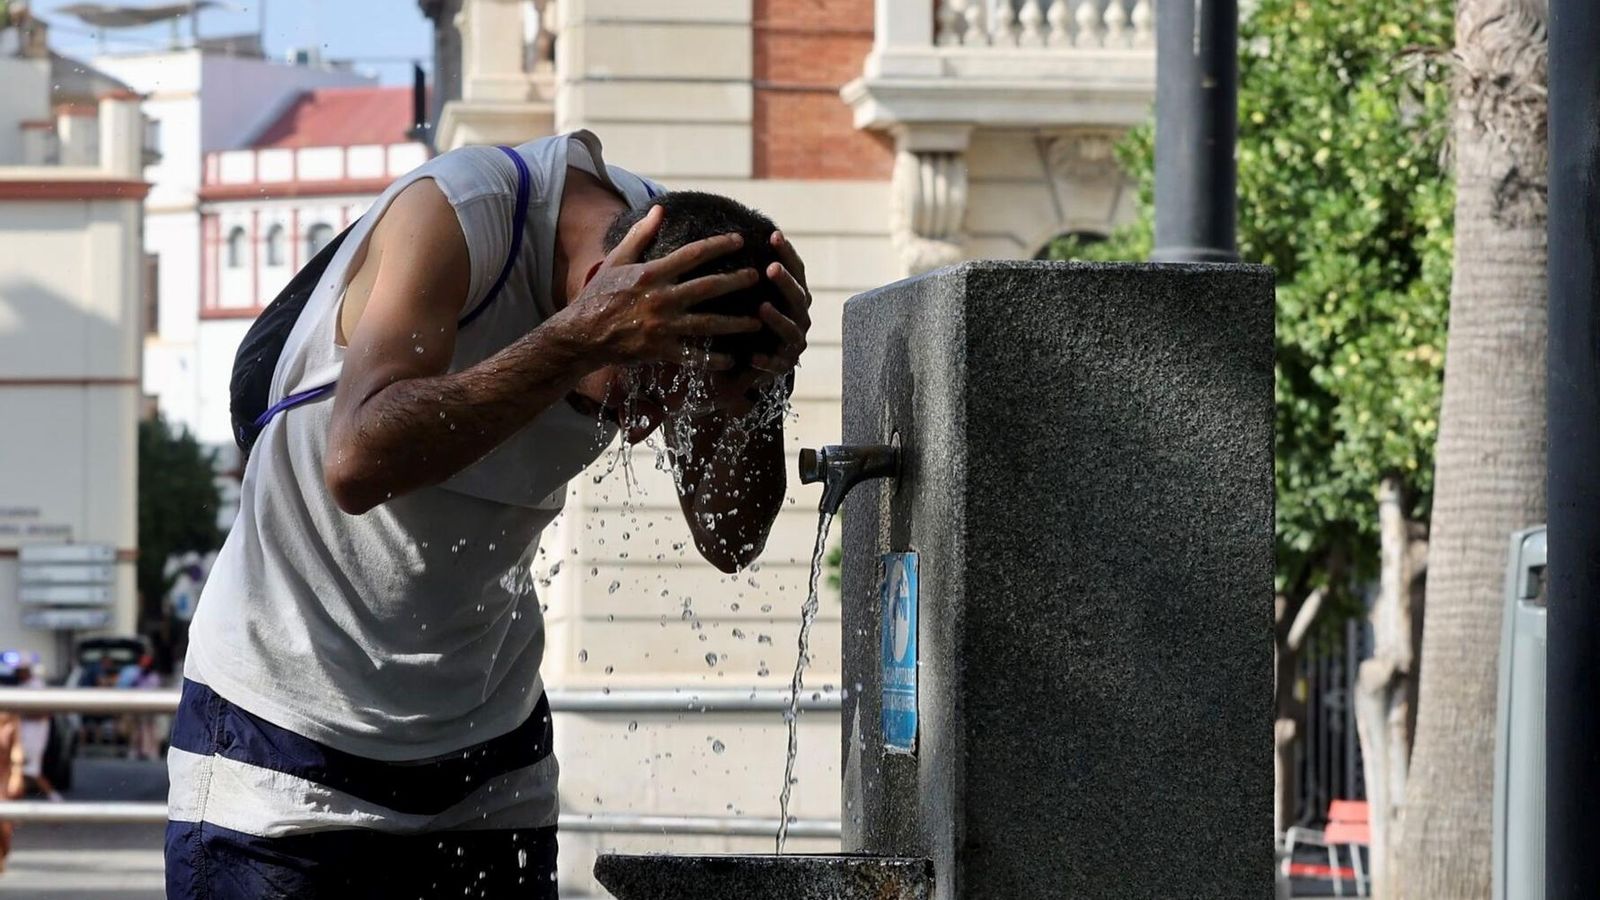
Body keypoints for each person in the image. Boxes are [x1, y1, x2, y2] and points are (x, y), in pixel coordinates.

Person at [164, 130, 811, 899]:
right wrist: (574, 342)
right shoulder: (460, 211)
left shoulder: (683, 287)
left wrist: (767, 388)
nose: (644, 427)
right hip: (285, 747)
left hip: (489, 761)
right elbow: (357, 462)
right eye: (645, 393)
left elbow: (730, 539)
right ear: (598, 286)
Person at [12, 654, 60, 802]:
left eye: (21, 669)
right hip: (23, 735)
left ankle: (55, 800)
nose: (18, 673)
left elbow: (45, 712)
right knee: (19, 771)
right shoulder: (23, 686)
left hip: (34, 736)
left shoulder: (37, 687)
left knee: (30, 771)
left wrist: (20, 715)